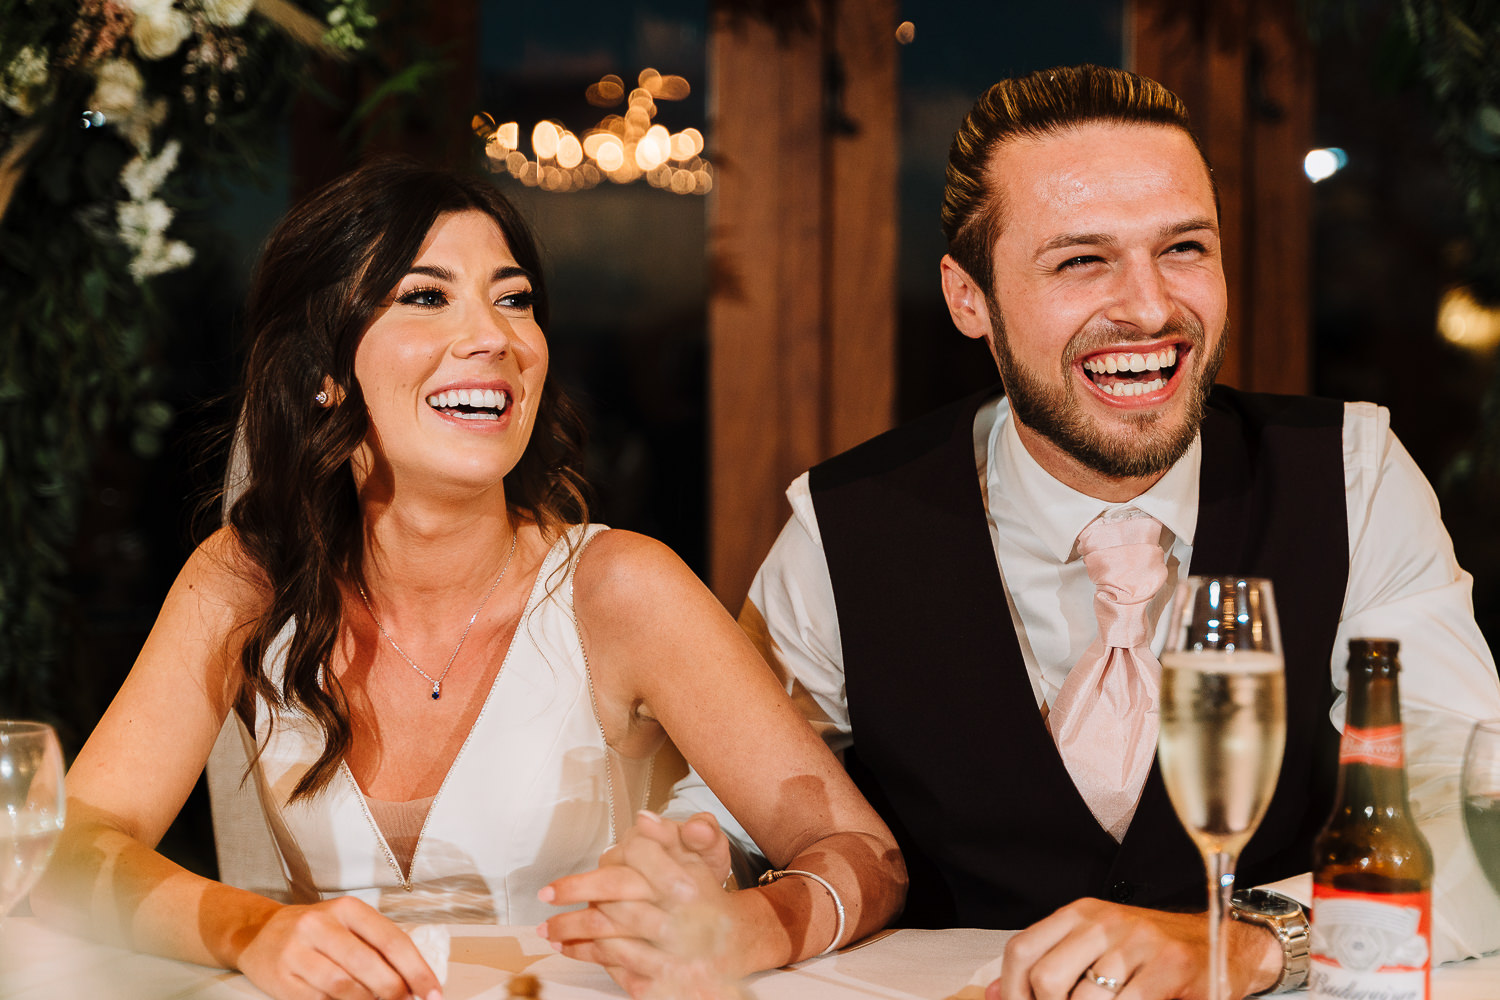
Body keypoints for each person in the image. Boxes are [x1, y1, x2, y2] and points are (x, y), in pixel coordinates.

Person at [655, 64, 1500, 999]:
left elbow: (1468, 815)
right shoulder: (842, 527)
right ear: (969, 297)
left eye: (1184, 248)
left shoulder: (1355, 475)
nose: (1148, 307)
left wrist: (1248, 945)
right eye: (1080, 260)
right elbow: (732, 815)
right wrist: (688, 879)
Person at [30, 157, 906, 1000]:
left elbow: (859, 848)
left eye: (514, 300)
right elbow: (69, 846)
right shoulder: (246, 584)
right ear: (328, 369)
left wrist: (752, 926)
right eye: (426, 295)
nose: (493, 337)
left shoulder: (619, 588)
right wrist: (250, 929)